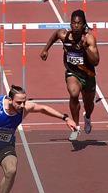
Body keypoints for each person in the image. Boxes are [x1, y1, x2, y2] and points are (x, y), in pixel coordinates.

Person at [39, 9, 100, 141]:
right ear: (70, 24)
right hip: (72, 72)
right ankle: (76, 127)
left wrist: (85, 48)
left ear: (84, 24)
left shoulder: (89, 39)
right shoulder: (64, 35)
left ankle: (87, 117)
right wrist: (45, 49)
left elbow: (96, 61)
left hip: (88, 74)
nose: (76, 26)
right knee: (73, 93)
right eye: (73, 23)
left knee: (88, 104)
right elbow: (55, 35)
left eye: (79, 23)